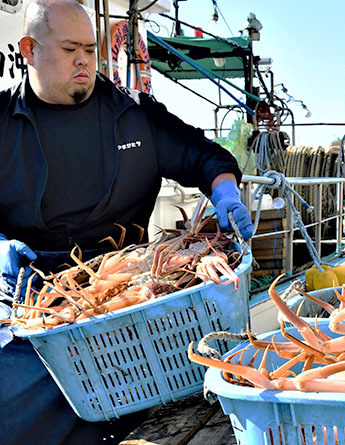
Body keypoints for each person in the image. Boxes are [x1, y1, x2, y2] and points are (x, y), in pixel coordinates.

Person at [0, 0, 254, 443]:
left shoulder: (136, 114)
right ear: (29, 49)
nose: (83, 60)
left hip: (132, 286)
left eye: (90, 49)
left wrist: (225, 190)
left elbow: (204, 156)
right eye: (69, 49)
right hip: (28, 295)